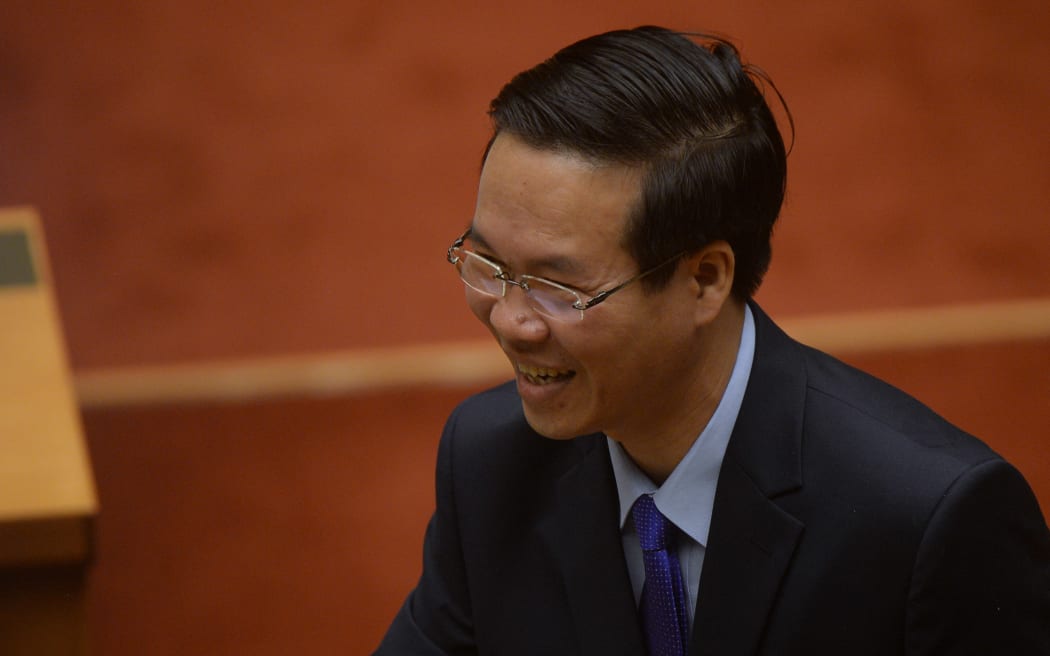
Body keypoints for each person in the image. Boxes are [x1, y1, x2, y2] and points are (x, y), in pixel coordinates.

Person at [375, 26, 1050, 655]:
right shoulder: (491, 464)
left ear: (704, 279)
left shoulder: (927, 520)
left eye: (560, 287)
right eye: (489, 265)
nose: (511, 321)